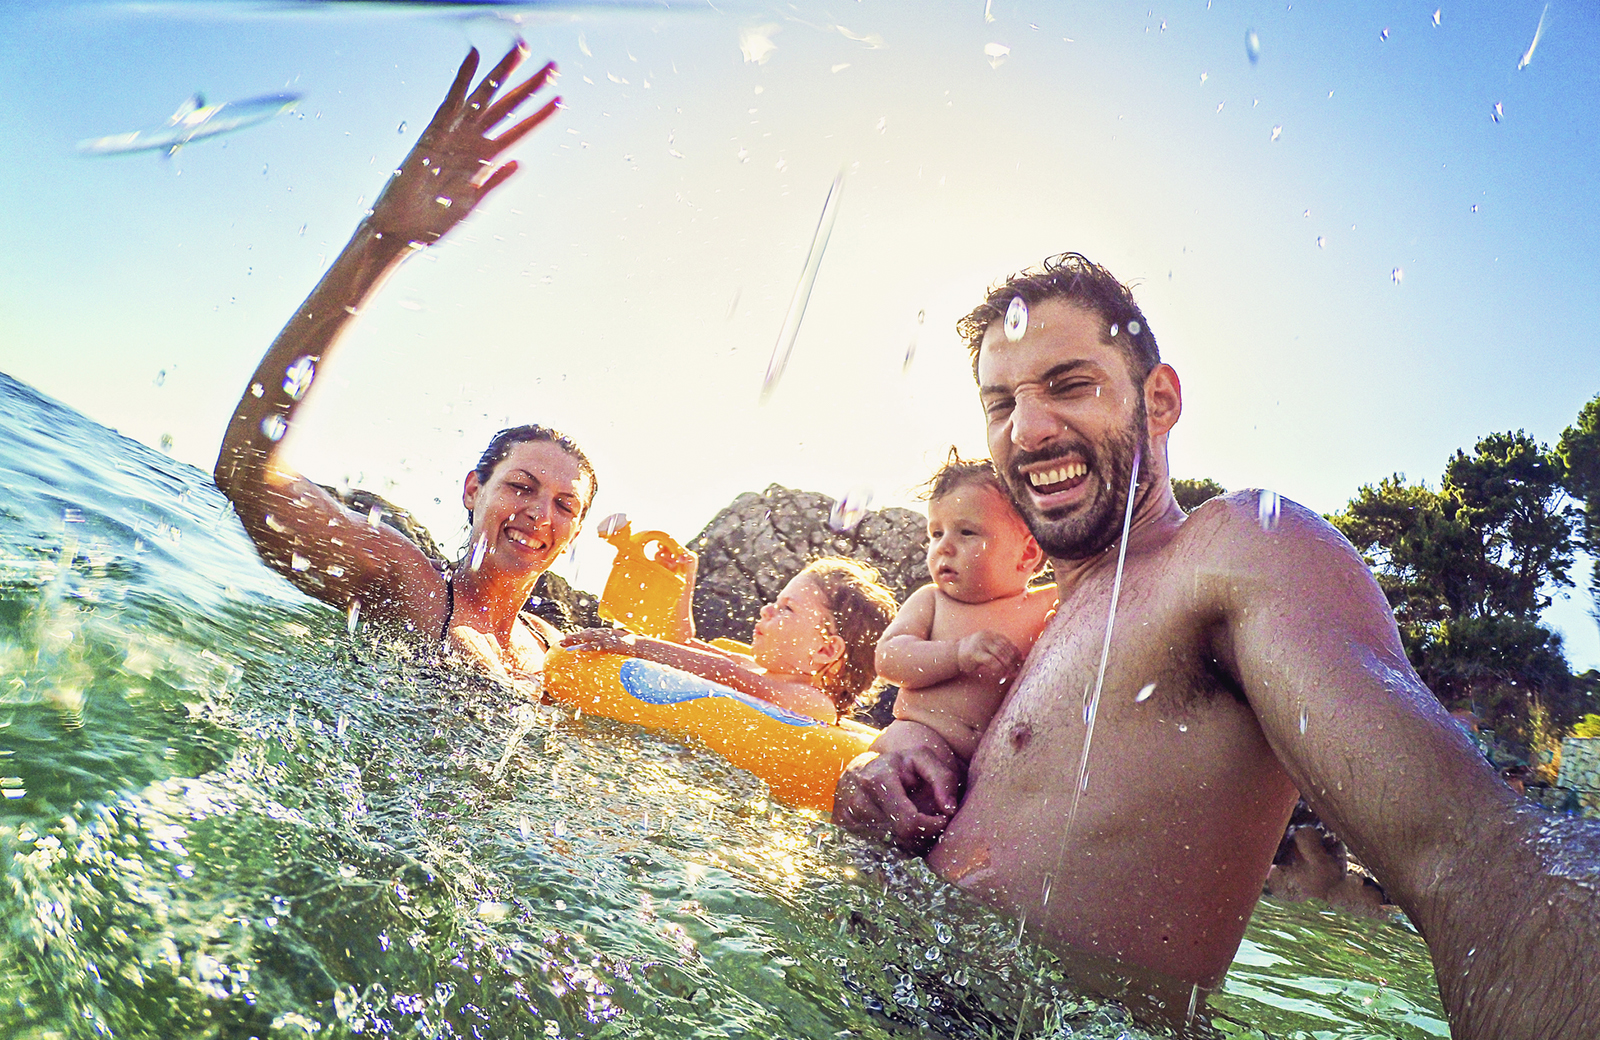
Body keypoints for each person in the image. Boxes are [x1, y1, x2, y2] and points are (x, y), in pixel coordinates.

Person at [832, 252, 1600, 1038]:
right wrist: (883, 770)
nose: (1027, 430)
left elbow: (1473, 852)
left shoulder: (1232, 552)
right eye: (1001, 404)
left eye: (1069, 385)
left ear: (1158, 400)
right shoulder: (1036, 628)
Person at [213, 45, 584, 685]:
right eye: (521, 486)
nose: (539, 514)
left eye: (564, 504)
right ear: (473, 491)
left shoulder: (554, 654)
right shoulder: (408, 583)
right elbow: (248, 474)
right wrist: (383, 240)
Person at [874, 451, 1055, 764]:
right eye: (936, 533)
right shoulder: (932, 601)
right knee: (917, 759)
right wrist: (956, 654)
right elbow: (889, 658)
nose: (943, 546)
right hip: (915, 736)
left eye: (966, 532)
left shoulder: (1046, 605)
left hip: (985, 764)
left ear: (1027, 553)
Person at [563, 557, 897, 724]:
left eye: (787, 608)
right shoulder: (757, 668)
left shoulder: (814, 704)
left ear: (825, 649)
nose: (766, 609)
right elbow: (683, 642)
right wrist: (686, 577)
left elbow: (725, 673)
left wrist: (632, 645)